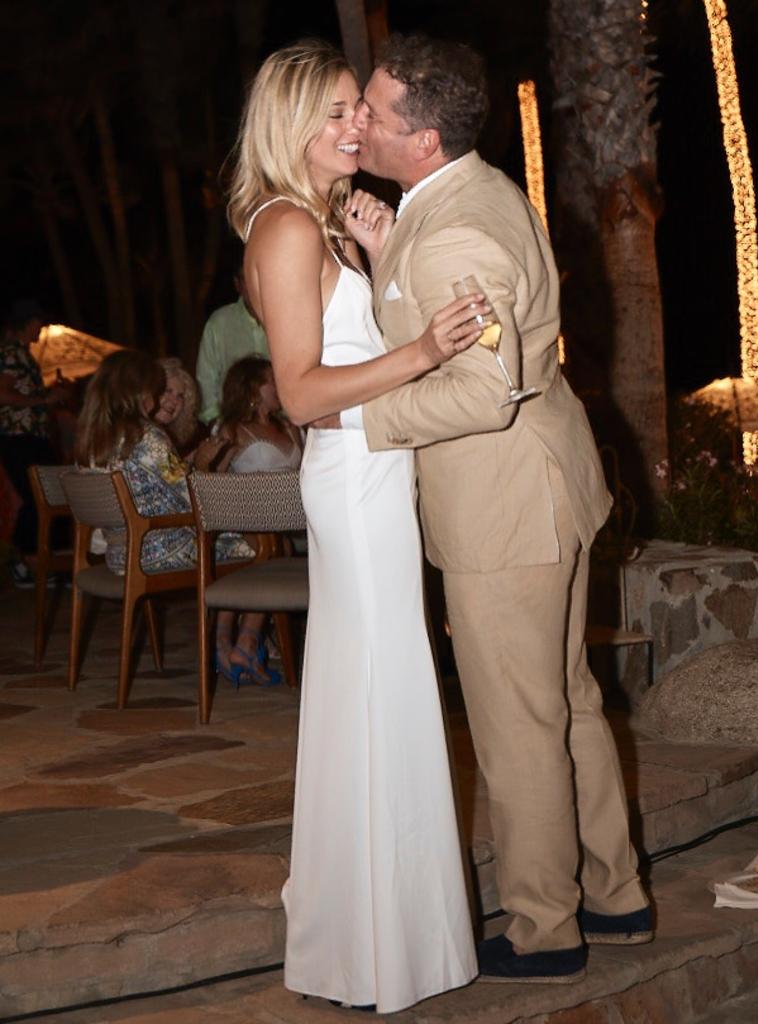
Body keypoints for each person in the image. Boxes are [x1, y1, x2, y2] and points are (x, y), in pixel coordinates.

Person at [339, 33, 652, 984]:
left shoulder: (459, 227)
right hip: (542, 493)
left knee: (518, 727)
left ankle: (544, 928)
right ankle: (617, 895)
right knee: (567, 705)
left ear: (423, 139)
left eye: (376, 114)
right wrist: (391, 255)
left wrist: (364, 411)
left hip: (504, 515)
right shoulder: (464, 196)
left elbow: (480, 392)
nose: (360, 124)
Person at [228, 40, 484, 1013]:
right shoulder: (288, 227)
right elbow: (297, 395)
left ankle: (385, 942)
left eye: (356, 109)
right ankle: (375, 946)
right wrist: (421, 350)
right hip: (349, 483)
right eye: (334, 112)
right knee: (377, 697)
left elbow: (344, 351)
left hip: (379, 475)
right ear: (288, 124)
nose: (354, 127)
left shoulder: (326, 225)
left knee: (385, 700)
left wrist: (380, 260)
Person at [75, 350, 252, 580]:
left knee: (244, 537)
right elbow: (195, 499)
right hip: (157, 553)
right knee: (261, 544)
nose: (158, 393)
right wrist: (202, 464)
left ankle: (218, 616)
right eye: (157, 387)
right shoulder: (147, 436)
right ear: (139, 390)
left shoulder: (91, 438)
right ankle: (215, 615)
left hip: (119, 553)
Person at [195, 356, 302, 686]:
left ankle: (230, 640)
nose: (280, 384)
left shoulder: (290, 425)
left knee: (273, 544)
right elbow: (214, 480)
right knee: (266, 546)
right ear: (254, 388)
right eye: (274, 379)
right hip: (244, 518)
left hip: (294, 518)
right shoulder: (230, 430)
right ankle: (243, 641)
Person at [0, 299, 70, 588]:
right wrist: (44, 400)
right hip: (19, 438)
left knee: (46, 496)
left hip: (30, 437)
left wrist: (48, 395)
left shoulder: (22, 354)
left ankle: (40, 564)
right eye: (39, 323)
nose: (42, 329)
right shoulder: (10, 353)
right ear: (28, 322)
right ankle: (32, 566)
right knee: (34, 498)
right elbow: (2, 394)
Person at [196, 262, 271, 426]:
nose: (255, 286)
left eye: (259, 278)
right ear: (237, 284)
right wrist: (217, 423)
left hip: (281, 423)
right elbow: (206, 378)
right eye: (247, 280)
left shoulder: (285, 318)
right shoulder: (220, 322)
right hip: (233, 425)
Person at [156, 358, 203, 457]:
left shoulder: (175, 443)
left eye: (180, 396)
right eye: (168, 391)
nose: (174, 401)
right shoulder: (136, 433)